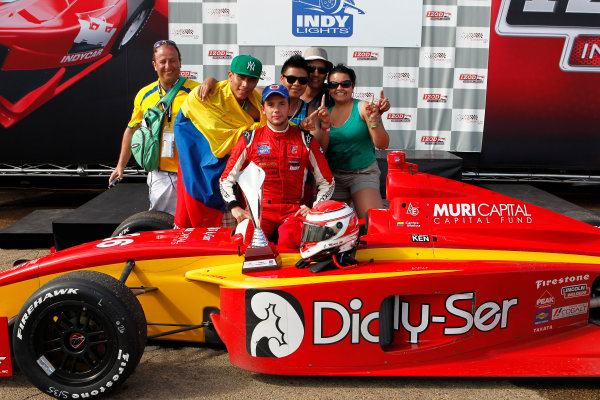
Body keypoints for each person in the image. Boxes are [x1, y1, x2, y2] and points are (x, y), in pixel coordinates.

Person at [220, 84, 334, 247]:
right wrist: (234, 207)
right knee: (245, 240)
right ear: (263, 109)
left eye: (282, 104)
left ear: (289, 108)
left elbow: (327, 181)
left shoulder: (306, 139)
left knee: (291, 238)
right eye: (271, 104)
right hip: (259, 211)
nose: (276, 109)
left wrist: (315, 209)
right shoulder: (249, 139)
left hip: (294, 211)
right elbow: (226, 178)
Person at [174, 55, 266, 228]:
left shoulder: (257, 100)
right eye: (241, 77)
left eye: (252, 80)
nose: (245, 85)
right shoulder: (206, 96)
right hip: (200, 173)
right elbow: (219, 140)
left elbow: (272, 128)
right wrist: (253, 128)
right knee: (199, 232)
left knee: (236, 233)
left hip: (236, 179)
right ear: (230, 75)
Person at [109, 40, 198, 216]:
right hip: (160, 174)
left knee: (192, 225)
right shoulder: (144, 95)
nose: (168, 66)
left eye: (172, 60)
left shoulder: (196, 91)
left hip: (191, 172)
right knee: (160, 224)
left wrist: (210, 81)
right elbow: (131, 130)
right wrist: (121, 165)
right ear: (154, 65)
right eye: (163, 61)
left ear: (180, 61)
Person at [317, 64, 391, 220]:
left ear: (353, 86)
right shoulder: (325, 113)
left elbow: (382, 144)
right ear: (328, 88)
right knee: (329, 224)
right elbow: (321, 150)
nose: (339, 88)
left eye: (345, 84)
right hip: (334, 177)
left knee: (372, 222)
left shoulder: (364, 108)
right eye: (333, 84)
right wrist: (324, 125)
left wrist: (374, 120)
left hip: (362, 173)